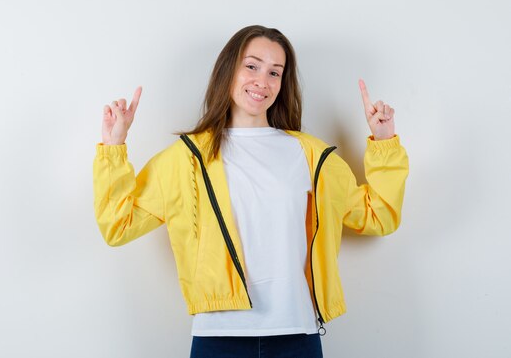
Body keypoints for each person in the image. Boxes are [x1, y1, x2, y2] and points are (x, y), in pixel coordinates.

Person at [93, 25, 409, 358]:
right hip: (218, 337)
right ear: (228, 70)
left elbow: (380, 217)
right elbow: (118, 225)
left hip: (296, 336)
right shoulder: (186, 159)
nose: (263, 81)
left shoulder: (312, 156)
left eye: (275, 72)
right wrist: (114, 146)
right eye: (252, 66)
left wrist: (385, 141)